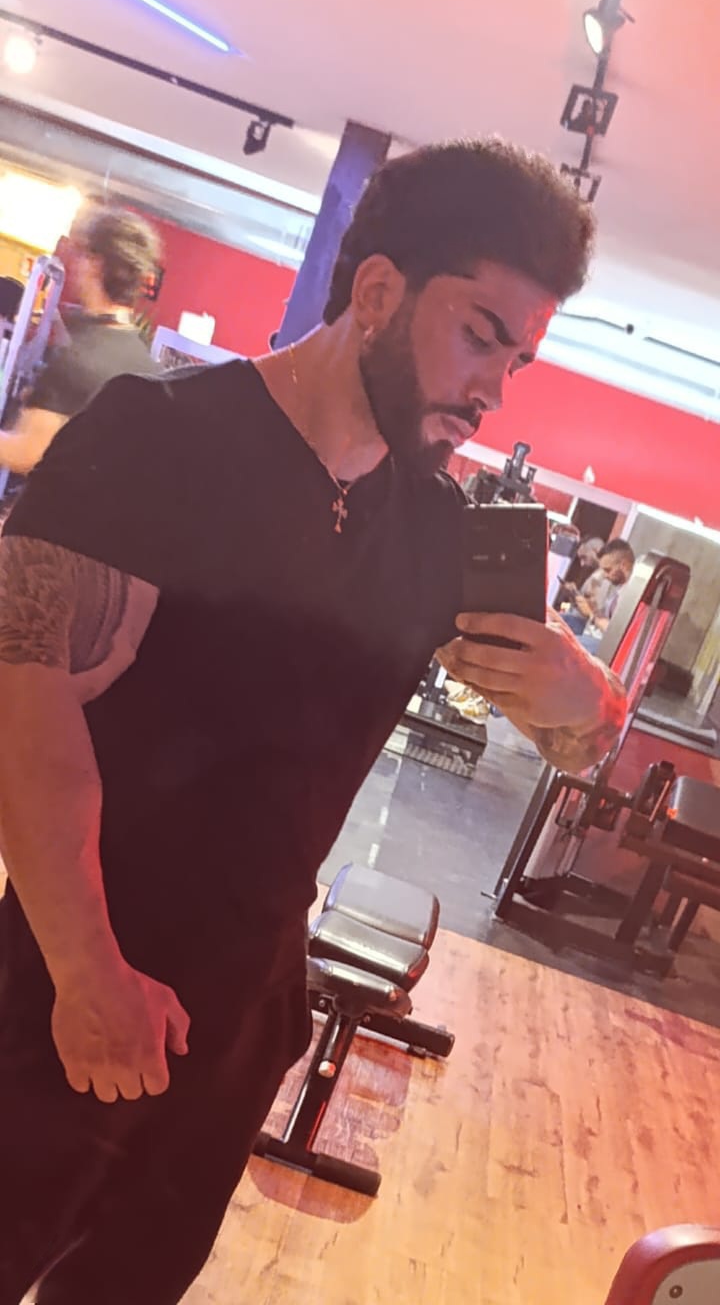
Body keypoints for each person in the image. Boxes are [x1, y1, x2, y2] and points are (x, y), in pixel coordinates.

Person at [0, 138, 627, 1305]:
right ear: (378, 290)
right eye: (480, 334)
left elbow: (577, 735)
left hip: (247, 1009)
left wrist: (586, 704)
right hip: (67, 981)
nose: (494, 389)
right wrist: (88, 974)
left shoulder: (435, 531)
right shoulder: (158, 434)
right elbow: (23, 699)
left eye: (519, 359)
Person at [0, 204, 162, 476]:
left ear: (96, 264)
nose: (76, 264)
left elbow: (28, 453)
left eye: (83, 254)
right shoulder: (141, 357)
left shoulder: (78, 360)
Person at [564, 538, 635, 635]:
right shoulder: (619, 589)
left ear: (623, 565)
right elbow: (605, 618)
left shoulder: (631, 595)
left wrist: (592, 614)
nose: (605, 575)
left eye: (608, 570)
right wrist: (592, 609)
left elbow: (615, 632)